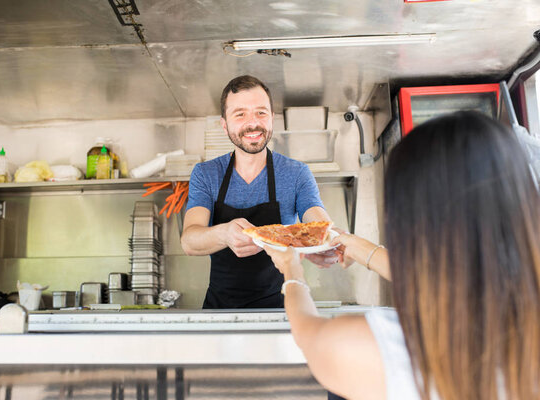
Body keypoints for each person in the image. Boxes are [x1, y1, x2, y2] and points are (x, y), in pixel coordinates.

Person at [264, 111, 540, 400]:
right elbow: (449, 272)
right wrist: (358, 247)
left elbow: (309, 337)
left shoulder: (387, 352)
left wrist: (291, 270)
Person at [180, 75, 338, 309]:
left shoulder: (296, 173)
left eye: (261, 112)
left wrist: (326, 242)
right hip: (220, 310)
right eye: (240, 114)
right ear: (225, 125)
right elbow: (189, 241)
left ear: (272, 119)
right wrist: (225, 234)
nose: (252, 123)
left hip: (280, 308)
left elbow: (318, 221)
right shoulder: (206, 173)